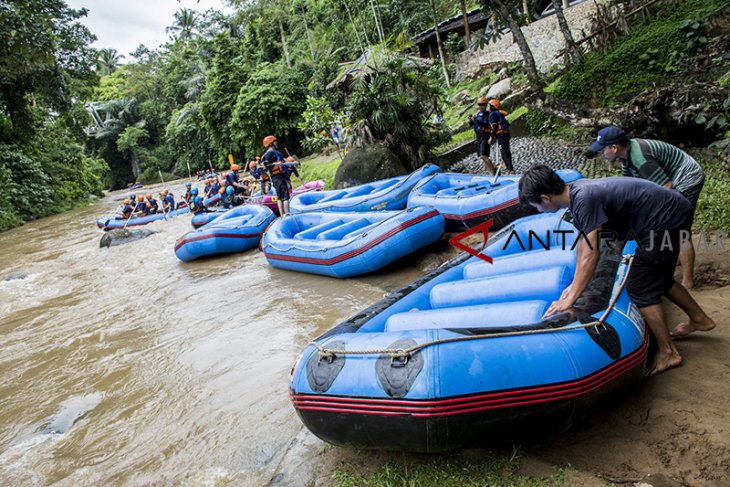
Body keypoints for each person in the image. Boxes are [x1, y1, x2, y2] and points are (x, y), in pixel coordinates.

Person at [518, 165, 716, 376]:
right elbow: (584, 244)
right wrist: (573, 286)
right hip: (669, 210)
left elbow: (591, 255)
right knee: (658, 276)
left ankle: (668, 352)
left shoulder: (583, 199)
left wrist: (571, 298)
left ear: (545, 198)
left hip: (665, 219)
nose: (537, 210)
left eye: (535, 205)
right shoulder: (576, 194)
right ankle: (699, 319)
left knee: (640, 286)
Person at [588, 125, 705, 289]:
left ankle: (688, 281)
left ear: (614, 148)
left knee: (680, 229)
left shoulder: (640, 159)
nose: (601, 154)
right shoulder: (625, 157)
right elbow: (630, 188)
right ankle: (673, 253)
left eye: (602, 150)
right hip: (671, 176)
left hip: (687, 178)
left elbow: (666, 188)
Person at [262, 135, 290, 215]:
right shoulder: (270, 154)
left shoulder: (268, 154)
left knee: (279, 196)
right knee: (285, 196)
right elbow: (268, 166)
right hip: (278, 176)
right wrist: (277, 164)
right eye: (275, 142)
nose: (276, 143)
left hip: (275, 177)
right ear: (271, 144)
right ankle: (286, 213)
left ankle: (282, 214)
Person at [468, 97, 496, 175]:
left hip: (485, 135)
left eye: (483, 105)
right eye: (479, 104)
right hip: (479, 136)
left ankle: (492, 173)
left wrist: (476, 120)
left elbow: (486, 124)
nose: (481, 106)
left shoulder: (488, 114)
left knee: (484, 155)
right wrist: (471, 120)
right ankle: (491, 172)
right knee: (481, 156)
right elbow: (472, 125)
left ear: (486, 105)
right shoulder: (477, 114)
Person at [487, 98, 514, 173]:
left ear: (493, 106)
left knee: (504, 152)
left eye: (489, 106)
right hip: (506, 133)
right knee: (507, 150)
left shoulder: (492, 115)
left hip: (501, 135)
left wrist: (491, 137)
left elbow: (495, 127)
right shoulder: (498, 113)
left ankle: (510, 169)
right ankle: (510, 166)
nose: (488, 107)